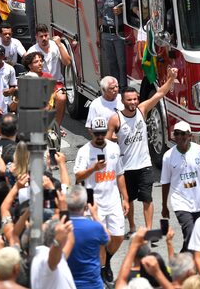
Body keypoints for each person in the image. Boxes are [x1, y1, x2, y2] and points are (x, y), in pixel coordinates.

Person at [107, 68, 177, 232]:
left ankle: (148, 229)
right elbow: (105, 140)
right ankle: (131, 227)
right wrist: (111, 140)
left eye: (135, 99)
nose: (132, 103)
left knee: (147, 198)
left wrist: (171, 78)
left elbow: (159, 94)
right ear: (123, 102)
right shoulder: (116, 118)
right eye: (129, 100)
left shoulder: (142, 110)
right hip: (125, 167)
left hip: (145, 165)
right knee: (128, 199)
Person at [74, 116, 129, 282]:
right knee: (99, 239)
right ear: (91, 131)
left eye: (102, 133)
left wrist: (125, 198)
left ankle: (107, 260)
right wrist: (94, 168)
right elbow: (77, 176)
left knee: (118, 236)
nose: (99, 136)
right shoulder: (84, 151)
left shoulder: (114, 147)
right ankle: (103, 270)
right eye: (96, 133)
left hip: (112, 198)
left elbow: (119, 174)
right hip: (94, 200)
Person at [161, 120, 200, 252]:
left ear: (189, 135)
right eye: (176, 134)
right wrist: (164, 206)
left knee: (198, 236)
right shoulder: (168, 156)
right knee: (191, 233)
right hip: (180, 202)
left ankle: (183, 261)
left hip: (199, 201)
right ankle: (185, 266)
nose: (179, 137)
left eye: (183, 134)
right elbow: (165, 182)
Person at [67, 184, 109, 289]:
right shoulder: (95, 227)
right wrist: (95, 215)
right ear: (86, 206)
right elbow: (108, 238)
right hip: (92, 284)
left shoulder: (60, 227)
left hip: (68, 284)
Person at [31, 218, 76, 289]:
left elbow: (71, 241)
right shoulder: (43, 257)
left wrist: (64, 211)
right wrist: (58, 240)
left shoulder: (60, 255)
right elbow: (53, 261)